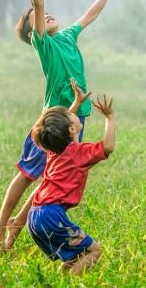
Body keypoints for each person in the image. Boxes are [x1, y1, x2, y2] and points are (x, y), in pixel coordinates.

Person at [0, 0, 124, 252]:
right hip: (53, 120)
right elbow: (37, 4)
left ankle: (16, 230)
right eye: (37, 18)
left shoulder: (67, 36)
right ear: (31, 31)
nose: (46, 14)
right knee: (28, 174)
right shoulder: (44, 45)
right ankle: (0, 227)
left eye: (48, 14)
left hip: (78, 116)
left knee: (53, 176)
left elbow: (89, 15)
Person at [27, 88, 115, 275]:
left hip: (34, 215)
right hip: (51, 216)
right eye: (70, 114)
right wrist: (109, 117)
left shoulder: (54, 150)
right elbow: (108, 147)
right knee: (93, 250)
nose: (71, 112)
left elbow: (61, 127)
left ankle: (62, 279)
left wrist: (76, 104)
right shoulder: (78, 153)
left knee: (75, 256)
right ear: (71, 129)